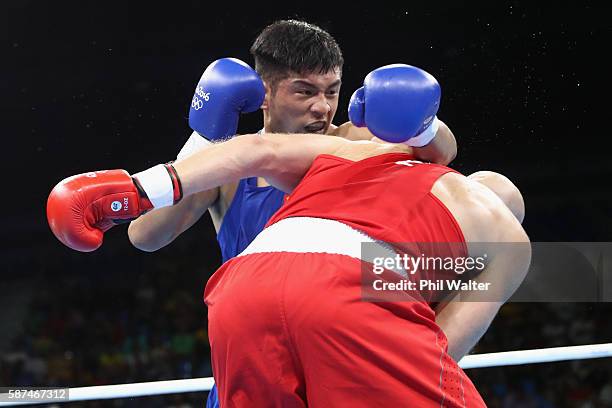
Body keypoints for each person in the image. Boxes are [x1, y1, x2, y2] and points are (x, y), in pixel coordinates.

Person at [47, 130, 531, 407]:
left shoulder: (359, 153)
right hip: (342, 289)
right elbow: (441, 350)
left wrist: (135, 188)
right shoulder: (508, 240)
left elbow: (252, 153)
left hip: (245, 282)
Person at [124, 20, 457, 406]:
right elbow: (146, 236)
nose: (323, 106)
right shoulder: (231, 166)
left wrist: (423, 127)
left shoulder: (357, 142)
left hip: (348, 352)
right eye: (305, 92)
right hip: (256, 364)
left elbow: (443, 153)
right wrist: (202, 139)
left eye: (332, 91)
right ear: (263, 94)